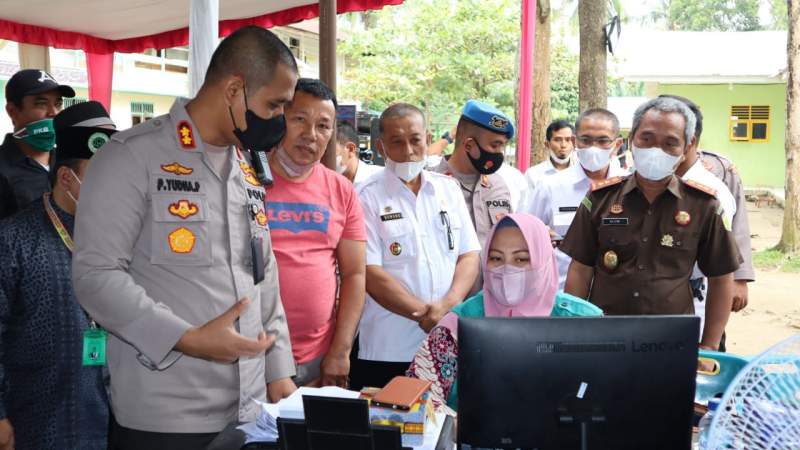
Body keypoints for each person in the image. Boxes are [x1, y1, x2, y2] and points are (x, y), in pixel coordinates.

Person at [72, 26, 298, 449]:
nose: (279, 120)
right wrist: (188, 338)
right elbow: (95, 276)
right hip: (167, 415)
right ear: (234, 89)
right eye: (275, 104)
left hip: (249, 410)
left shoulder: (246, 167)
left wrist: (279, 371)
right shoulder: (131, 156)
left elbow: (262, 274)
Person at [561, 96, 741, 352]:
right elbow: (580, 270)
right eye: (646, 139)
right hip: (604, 337)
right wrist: (574, 333)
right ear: (633, 138)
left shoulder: (704, 205)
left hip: (672, 341)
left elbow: (722, 278)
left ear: (687, 146)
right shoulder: (600, 199)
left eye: (670, 143)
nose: (656, 150)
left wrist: (710, 345)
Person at [0, 101, 115, 450]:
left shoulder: (124, 239)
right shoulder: (14, 239)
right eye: (103, 175)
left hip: (112, 420)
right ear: (66, 177)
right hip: (37, 422)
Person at [406, 214, 602, 414]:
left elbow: (610, 394)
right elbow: (418, 396)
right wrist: (463, 426)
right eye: (496, 258)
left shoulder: (584, 321)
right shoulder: (458, 324)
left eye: (521, 259)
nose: (507, 269)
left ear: (543, 260)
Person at [351, 103, 481, 390]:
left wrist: (449, 305)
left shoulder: (448, 189)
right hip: (389, 348)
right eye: (397, 142)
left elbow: (469, 254)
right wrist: (425, 314)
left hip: (448, 341)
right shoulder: (365, 196)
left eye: (415, 139)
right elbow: (370, 273)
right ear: (381, 147)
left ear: (428, 137)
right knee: (389, 431)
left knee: (446, 429)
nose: (408, 150)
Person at [266, 79, 366, 388]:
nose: (311, 135)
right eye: (299, 120)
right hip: (251, 354)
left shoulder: (341, 190)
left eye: (323, 126)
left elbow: (354, 275)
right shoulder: (244, 178)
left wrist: (340, 351)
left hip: (315, 358)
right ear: (280, 118)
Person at [663, 95, 755, 319]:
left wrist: (740, 278)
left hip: (700, 287)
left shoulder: (718, 169)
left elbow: (737, 225)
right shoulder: (644, 177)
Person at [519, 109, 630, 288]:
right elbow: (526, 238)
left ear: (617, 144)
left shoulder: (629, 187)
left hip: (615, 297)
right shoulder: (550, 186)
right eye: (585, 140)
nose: (593, 148)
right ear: (574, 141)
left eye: (602, 141)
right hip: (562, 297)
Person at [429, 100, 516, 246]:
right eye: (494, 145)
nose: (498, 153)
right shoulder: (430, 185)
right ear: (469, 145)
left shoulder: (498, 185)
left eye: (502, 146)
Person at [0, 69, 75, 218]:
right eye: (41, 104)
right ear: (13, 111)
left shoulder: (69, 162)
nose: (53, 112)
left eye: (58, 104)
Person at [522, 119, 575, 197]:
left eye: (568, 140)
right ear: (547, 144)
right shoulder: (533, 174)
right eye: (557, 140)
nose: (563, 145)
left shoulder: (582, 173)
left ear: (574, 143)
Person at [335, 120, 382, 188]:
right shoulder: (324, 185)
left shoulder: (379, 180)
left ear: (350, 149)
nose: (321, 160)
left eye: (327, 152)